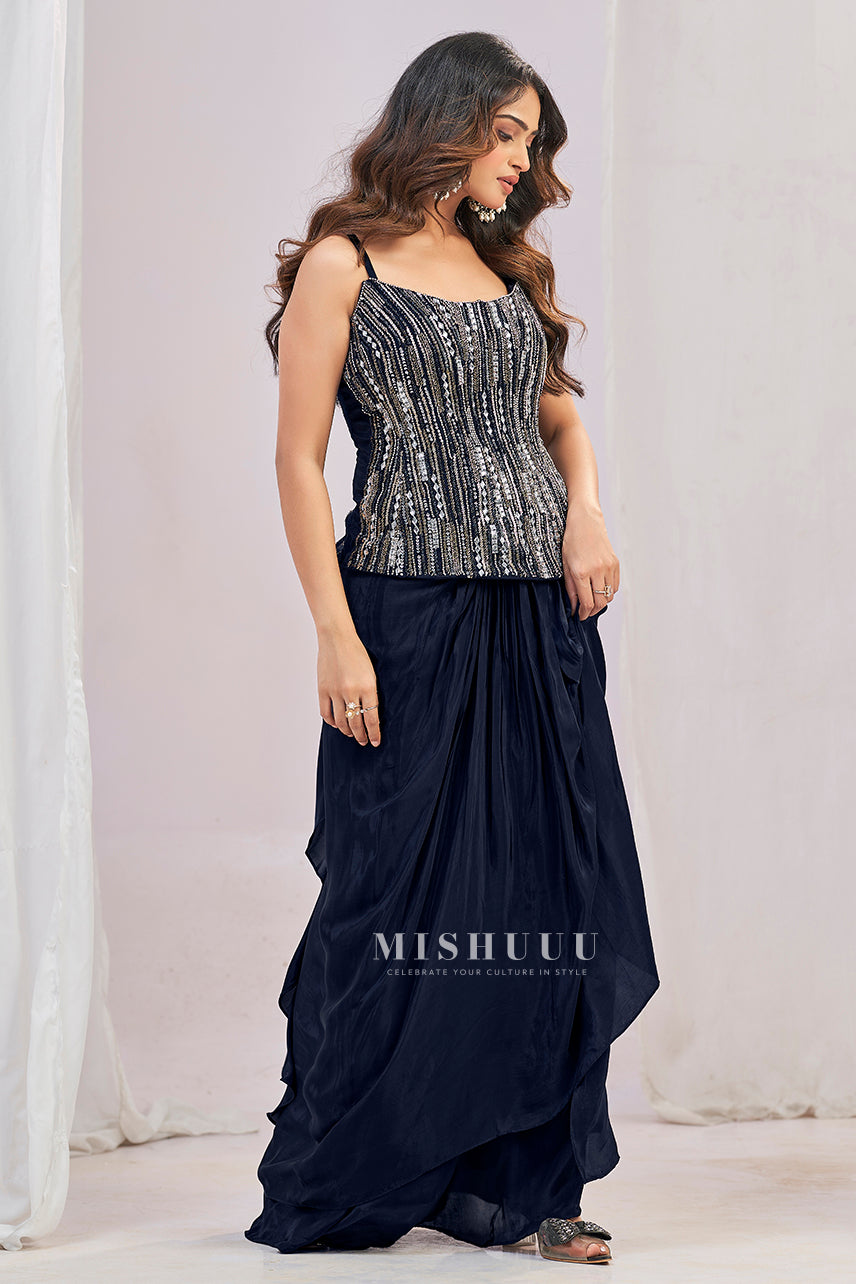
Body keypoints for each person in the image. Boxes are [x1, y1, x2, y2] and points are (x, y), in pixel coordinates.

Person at [244, 31, 659, 1267]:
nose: (522, 159)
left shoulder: (505, 264)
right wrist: (334, 632)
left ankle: (534, 1188)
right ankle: (352, 1171)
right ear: (450, 117)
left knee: (548, 891)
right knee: (386, 896)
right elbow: (298, 460)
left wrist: (587, 512)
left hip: (539, 618)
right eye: (509, 132)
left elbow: (558, 420)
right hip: (405, 613)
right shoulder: (344, 262)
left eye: (532, 141)